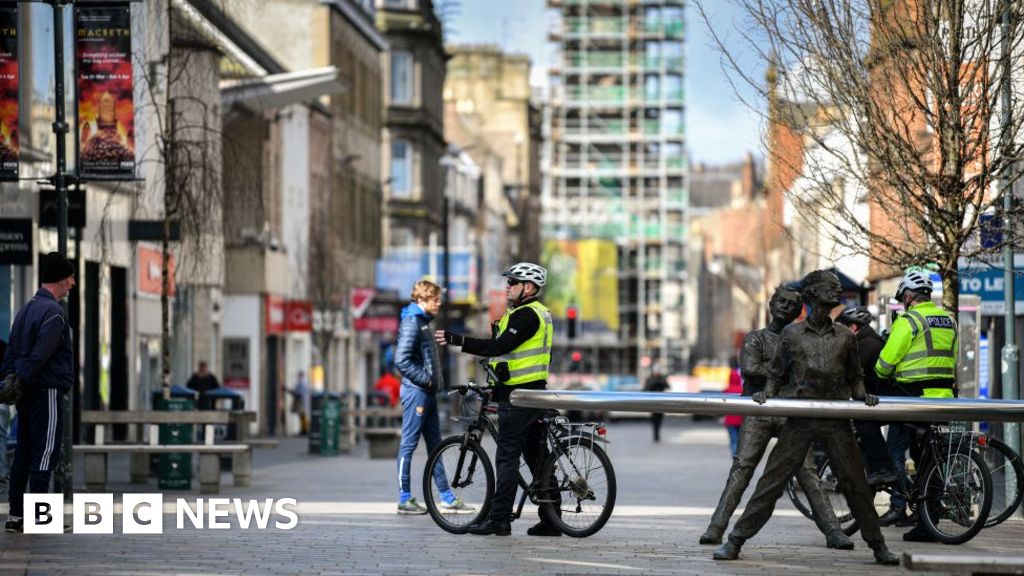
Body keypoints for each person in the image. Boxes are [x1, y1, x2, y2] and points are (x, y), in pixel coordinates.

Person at [713, 270, 898, 566]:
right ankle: (735, 540)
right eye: (830, 286)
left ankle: (878, 546)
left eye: (838, 287)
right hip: (799, 420)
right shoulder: (791, 335)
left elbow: (855, 375)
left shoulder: (844, 337)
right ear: (812, 294)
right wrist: (768, 395)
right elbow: (776, 372)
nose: (837, 290)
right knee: (770, 483)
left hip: (836, 420)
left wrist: (863, 395)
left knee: (856, 485)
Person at [700, 286, 851, 551]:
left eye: (792, 304)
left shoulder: (798, 341)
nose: (785, 306)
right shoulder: (755, 338)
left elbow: (806, 372)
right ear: (771, 305)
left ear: (797, 311)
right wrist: (783, 372)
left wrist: (775, 372)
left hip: (789, 413)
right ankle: (716, 527)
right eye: (781, 301)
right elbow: (750, 370)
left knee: (807, 473)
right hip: (759, 413)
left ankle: (833, 531)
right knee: (742, 468)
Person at [435, 262, 559, 537]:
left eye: (513, 282)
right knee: (538, 457)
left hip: (519, 397)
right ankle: (551, 520)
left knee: (506, 458)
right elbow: (508, 357)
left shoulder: (526, 316)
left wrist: (459, 340)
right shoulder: (533, 313)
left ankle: (499, 519)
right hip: (528, 392)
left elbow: (499, 347)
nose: (507, 286)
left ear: (528, 287)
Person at [874, 270, 958, 541]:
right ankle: (927, 520)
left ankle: (900, 502)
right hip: (943, 399)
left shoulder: (910, 320)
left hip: (913, 399)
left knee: (893, 452)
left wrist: (878, 374)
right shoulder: (949, 320)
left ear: (909, 297)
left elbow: (887, 361)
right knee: (928, 459)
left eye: (903, 299)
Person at [3, 252, 76, 533]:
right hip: (46, 391)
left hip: (26, 394)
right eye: (69, 277)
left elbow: (11, 350)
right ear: (59, 279)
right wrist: (23, 377)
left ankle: (16, 516)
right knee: (45, 453)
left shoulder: (26, 308)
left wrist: (11, 380)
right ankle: (40, 518)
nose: (71, 283)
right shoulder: (54, 314)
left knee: (23, 452)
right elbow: (41, 355)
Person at [394, 280, 469, 515]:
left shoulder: (423, 322)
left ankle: (446, 497)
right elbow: (401, 360)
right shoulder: (412, 323)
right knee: (408, 444)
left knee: (436, 445)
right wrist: (426, 380)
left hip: (426, 393)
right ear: (421, 299)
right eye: (435, 299)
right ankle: (404, 499)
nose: (439, 303)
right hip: (417, 392)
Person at [834, 306, 900, 489]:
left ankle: (884, 469)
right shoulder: (867, 342)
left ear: (853, 327)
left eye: (840, 328)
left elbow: (850, 375)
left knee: (864, 423)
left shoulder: (866, 345)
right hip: (879, 399)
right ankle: (879, 471)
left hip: (882, 400)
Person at [722, 359, 743, 456]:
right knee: (740, 439)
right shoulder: (742, 390)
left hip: (730, 421)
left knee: (733, 439)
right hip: (741, 420)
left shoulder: (726, 390)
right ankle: (739, 455)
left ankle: (734, 455)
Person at [643, 366, 670, 442]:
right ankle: (655, 435)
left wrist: (661, 382)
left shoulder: (662, 378)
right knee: (654, 420)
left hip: (661, 403)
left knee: (659, 420)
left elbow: (668, 386)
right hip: (652, 402)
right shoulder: (650, 379)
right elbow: (645, 389)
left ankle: (657, 434)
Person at [289, 371, 310, 435]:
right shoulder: (303, 383)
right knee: (302, 416)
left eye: (299, 375)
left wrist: (291, 391)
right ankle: (304, 429)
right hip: (302, 402)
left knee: (302, 416)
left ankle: (305, 430)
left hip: (301, 402)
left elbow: (299, 392)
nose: (298, 377)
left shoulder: (301, 383)